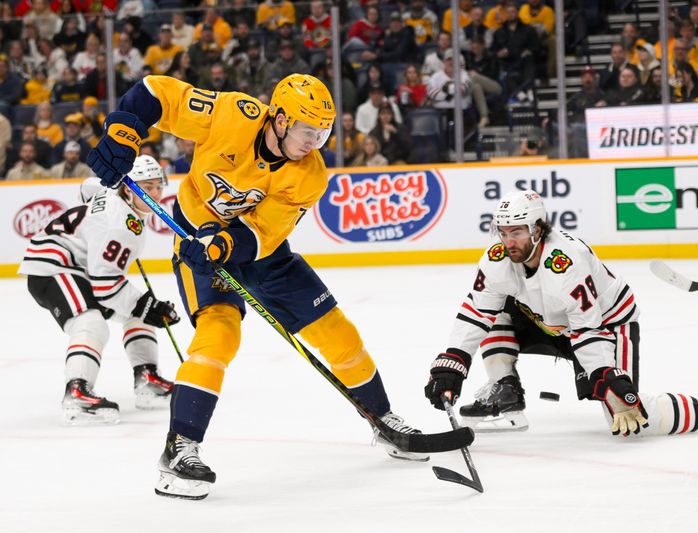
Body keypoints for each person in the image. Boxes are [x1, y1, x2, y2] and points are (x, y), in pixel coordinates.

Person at [86, 72, 430, 500]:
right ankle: (180, 449)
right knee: (218, 334)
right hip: (196, 239)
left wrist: (223, 245)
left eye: (322, 134)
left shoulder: (310, 173)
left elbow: (263, 233)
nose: (314, 143)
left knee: (335, 330)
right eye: (308, 131)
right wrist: (124, 133)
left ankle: (383, 419)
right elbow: (158, 93)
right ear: (281, 119)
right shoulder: (231, 113)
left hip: (260, 253)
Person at [423, 191, 698, 439]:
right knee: (496, 308)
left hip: (606, 325)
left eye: (516, 232)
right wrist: (452, 362)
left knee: (631, 418)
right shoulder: (498, 259)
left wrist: (606, 376)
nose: (507, 240)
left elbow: (588, 329)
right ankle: (506, 392)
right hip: (549, 322)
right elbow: (475, 313)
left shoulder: (566, 261)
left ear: (538, 229)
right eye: (502, 232)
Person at [17, 155, 178, 424]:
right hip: (53, 267)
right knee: (91, 323)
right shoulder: (119, 225)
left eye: (158, 186)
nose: (156, 194)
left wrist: (143, 307)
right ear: (129, 188)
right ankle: (77, 392)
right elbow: (107, 287)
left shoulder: (110, 190)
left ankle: (147, 378)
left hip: (79, 266)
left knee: (133, 312)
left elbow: (87, 187)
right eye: (146, 188)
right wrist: (151, 307)